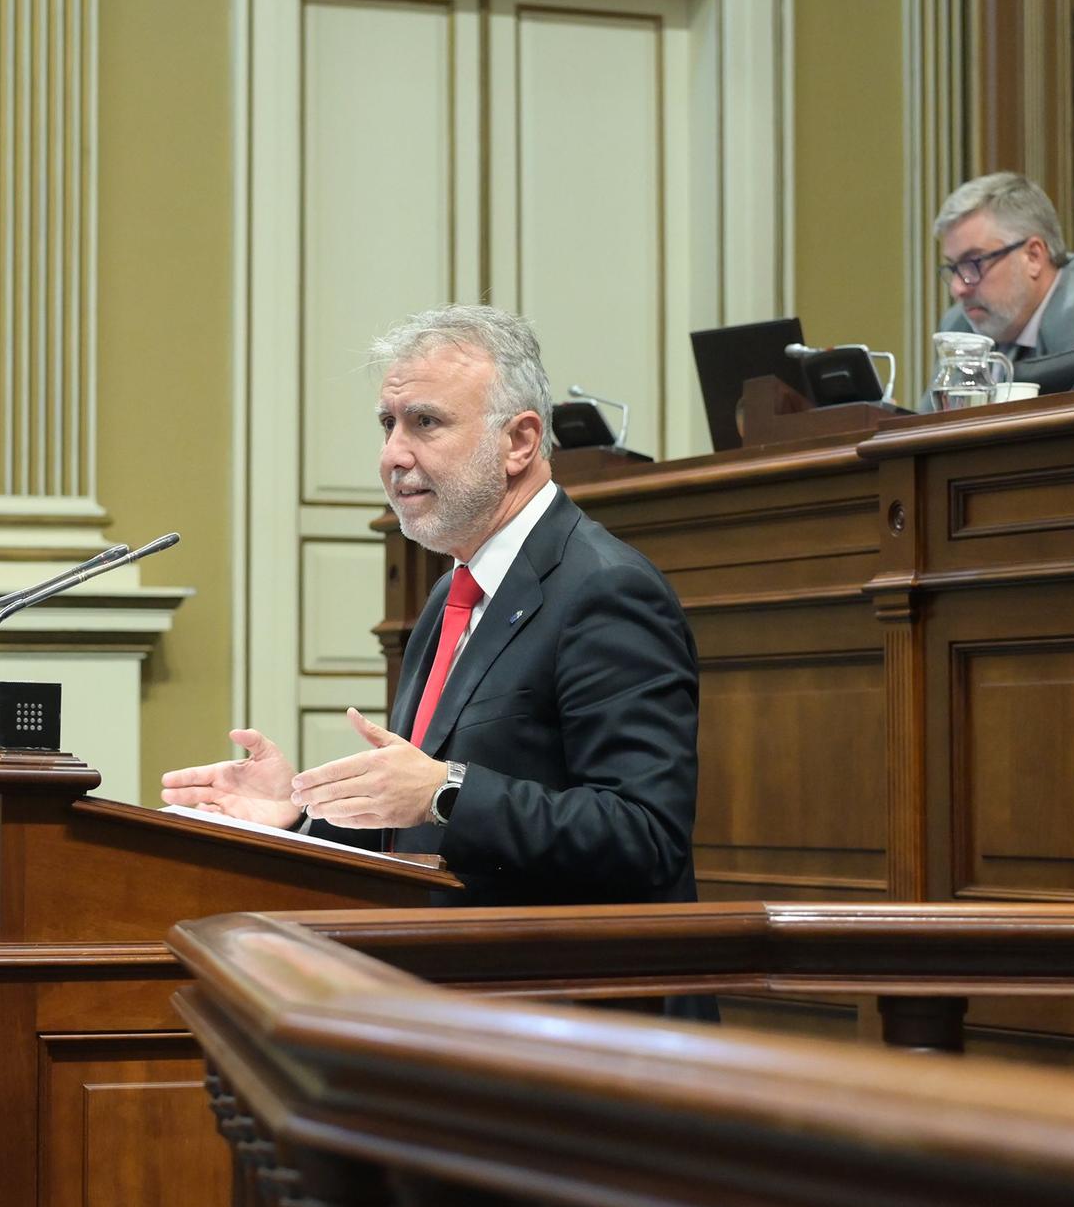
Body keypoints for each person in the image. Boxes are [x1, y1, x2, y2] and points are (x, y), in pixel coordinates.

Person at [161, 304, 700, 908]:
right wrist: (298, 812)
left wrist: (448, 790)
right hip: (449, 976)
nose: (393, 454)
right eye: (387, 424)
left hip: (563, 989)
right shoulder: (453, 591)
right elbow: (418, 816)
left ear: (519, 441)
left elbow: (645, 836)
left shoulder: (606, 589)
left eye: (425, 423)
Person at [935, 172, 1074, 362]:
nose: (957, 289)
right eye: (953, 267)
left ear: (1033, 257)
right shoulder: (959, 327)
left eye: (973, 263)